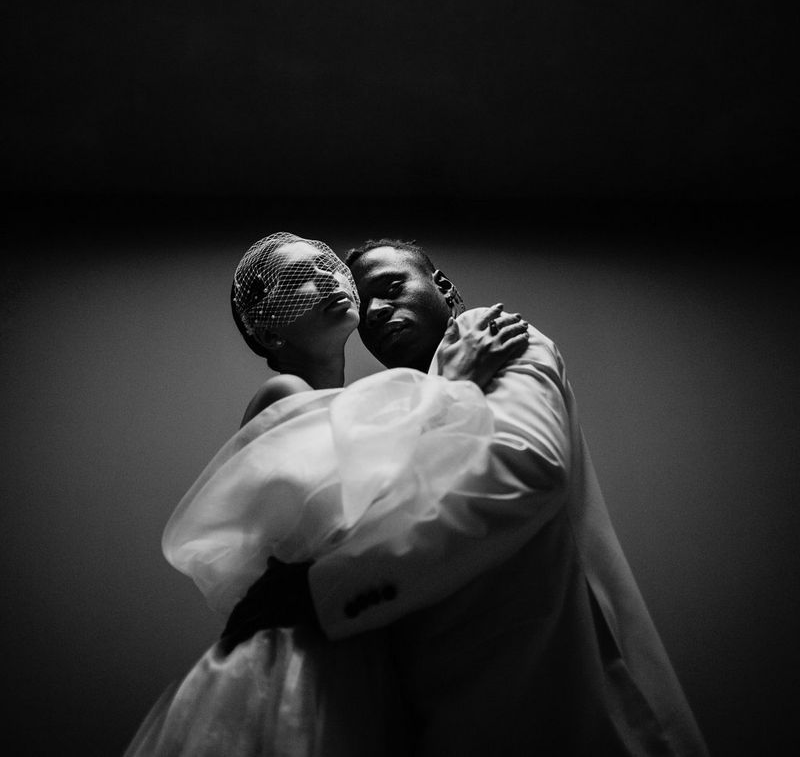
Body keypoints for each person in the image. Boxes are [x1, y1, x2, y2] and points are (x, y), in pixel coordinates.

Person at [235, 237, 708, 756]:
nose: (374, 310)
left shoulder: (492, 335)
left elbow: (525, 470)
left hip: (567, 704)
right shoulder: (385, 413)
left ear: (442, 287)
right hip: (442, 717)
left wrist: (323, 591)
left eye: (392, 287)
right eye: (363, 303)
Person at [123, 232, 528, 757]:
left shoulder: (356, 410)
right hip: (292, 656)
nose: (327, 278)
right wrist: (455, 384)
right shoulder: (284, 394)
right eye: (298, 278)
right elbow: (359, 513)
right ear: (268, 332)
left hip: (347, 643)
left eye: (326, 266)